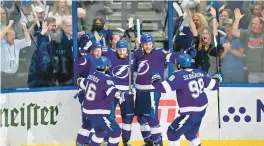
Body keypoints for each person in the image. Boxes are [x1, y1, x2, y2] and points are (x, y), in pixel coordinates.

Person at [150, 53, 222, 146]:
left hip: (190, 113)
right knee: (190, 135)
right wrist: (218, 77)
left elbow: (163, 88)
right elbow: (214, 85)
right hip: (201, 111)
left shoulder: (179, 76)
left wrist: (155, 79)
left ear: (179, 65)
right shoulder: (199, 72)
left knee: (172, 134)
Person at [133, 33, 182, 146]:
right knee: (141, 118)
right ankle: (148, 142)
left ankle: (158, 143)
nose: (148, 46)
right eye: (146, 44)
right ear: (142, 44)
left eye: (150, 44)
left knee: (151, 118)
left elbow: (172, 56)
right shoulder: (136, 53)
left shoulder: (159, 53)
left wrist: (183, 54)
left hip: (152, 91)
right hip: (140, 92)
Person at [76, 56, 134, 146]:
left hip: (88, 112)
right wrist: (126, 94)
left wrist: (79, 80)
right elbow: (113, 92)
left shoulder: (91, 76)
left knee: (100, 133)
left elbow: (81, 82)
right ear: (106, 67)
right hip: (99, 113)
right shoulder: (106, 79)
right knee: (116, 132)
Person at [104, 40, 136, 146]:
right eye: (119, 50)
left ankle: (126, 141)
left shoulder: (133, 57)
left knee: (128, 117)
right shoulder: (109, 53)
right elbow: (96, 51)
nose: (121, 52)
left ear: (127, 50)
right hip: (112, 92)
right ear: (115, 49)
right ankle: (107, 139)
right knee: (109, 117)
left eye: (124, 50)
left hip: (127, 92)